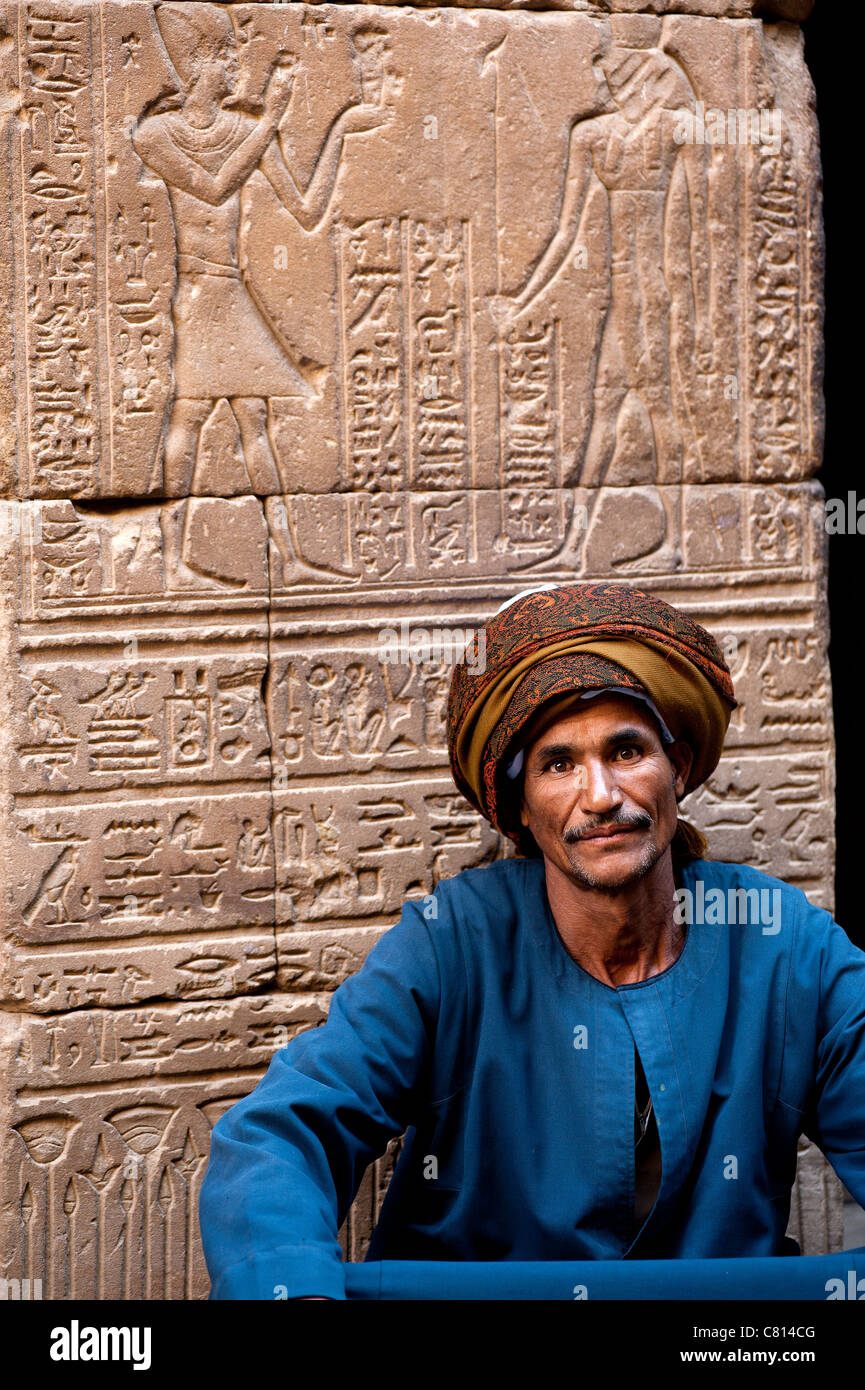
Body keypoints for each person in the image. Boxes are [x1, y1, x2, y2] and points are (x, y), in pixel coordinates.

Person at [199, 581, 865, 1299]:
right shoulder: (451, 945)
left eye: (626, 751)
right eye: (558, 764)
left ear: (675, 765)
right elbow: (282, 1134)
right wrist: (290, 1289)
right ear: (518, 807)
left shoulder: (782, 943)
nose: (601, 794)